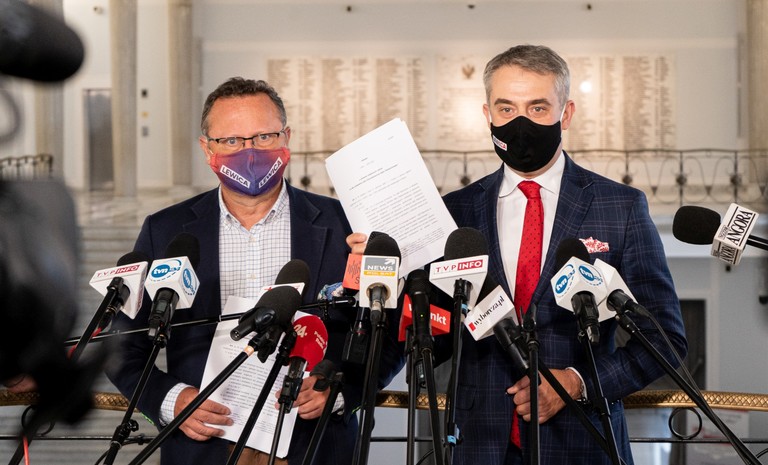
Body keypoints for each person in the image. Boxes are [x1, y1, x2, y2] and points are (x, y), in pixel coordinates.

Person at [106, 78, 403, 465]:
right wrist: (170, 400)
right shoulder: (165, 231)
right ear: (207, 148)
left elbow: (391, 335)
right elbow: (120, 346)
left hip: (313, 445)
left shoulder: (345, 225)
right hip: (203, 446)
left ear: (286, 138)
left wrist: (342, 392)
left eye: (264, 136)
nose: (249, 152)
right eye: (231, 140)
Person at [440, 44, 687, 464]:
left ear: (566, 114)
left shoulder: (620, 207)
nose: (520, 123)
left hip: (583, 441)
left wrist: (577, 383)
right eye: (506, 108)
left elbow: (665, 339)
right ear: (487, 115)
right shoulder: (455, 212)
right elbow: (433, 329)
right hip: (479, 445)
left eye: (537, 108)